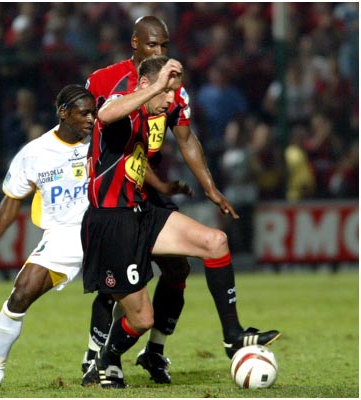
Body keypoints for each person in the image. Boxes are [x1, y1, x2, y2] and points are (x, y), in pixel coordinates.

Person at [81, 15, 262, 385]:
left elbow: (158, 150)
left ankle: (230, 336)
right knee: (132, 309)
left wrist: (195, 187)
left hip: (141, 205)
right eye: (153, 44)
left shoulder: (162, 100)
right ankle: (100, 357)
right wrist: (158, 87)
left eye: (165, 45)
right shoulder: (116, 93)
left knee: (214, 242)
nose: (172, 99)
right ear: (135, 44)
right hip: (111, 216)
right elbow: (105, 114)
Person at [0, 84, 96, 390]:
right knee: (21, 293)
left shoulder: (100, 143)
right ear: (63, 113)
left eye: (94, 113)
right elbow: (13, 198)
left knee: (125, 298)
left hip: (102, 228)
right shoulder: (35, 153)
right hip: (62, 237)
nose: (91, 119)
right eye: (84, 113)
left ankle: (101, 358)